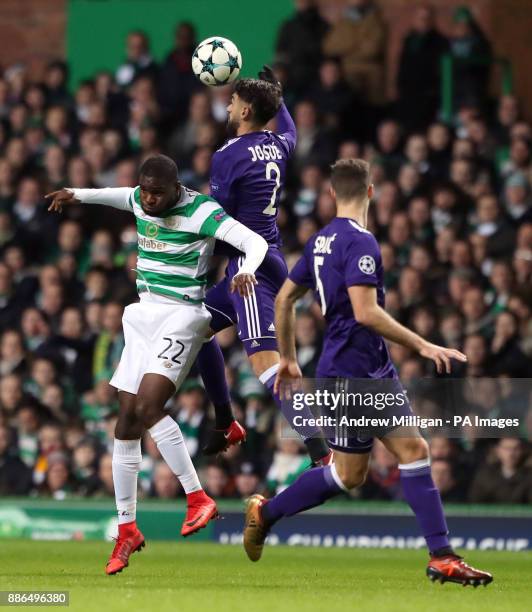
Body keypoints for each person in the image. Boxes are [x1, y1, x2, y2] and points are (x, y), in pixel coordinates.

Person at [243, 159, 493, 587]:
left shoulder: (320, 240)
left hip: (355, 370)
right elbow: (366, 312)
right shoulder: (362, 243)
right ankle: (442, 555)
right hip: (356, 373)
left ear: (332, 195)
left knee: (355, 472)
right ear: (372, 192)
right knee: (400, 456)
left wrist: (287, 356)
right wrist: (423, 344)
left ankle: (265, 513)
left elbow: (284, 299)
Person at [45, 154, 268, 575]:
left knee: (148, 409)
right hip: (143, 315)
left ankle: (198, 496)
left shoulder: (201, 211)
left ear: (175, 188)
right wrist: (76, 195)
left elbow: (253, 242)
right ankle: (127, 528)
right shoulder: (139, 198)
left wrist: (248, 272)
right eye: (144, 191)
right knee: (126, 423)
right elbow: (117, 196)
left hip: (183, 314)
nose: (148, 199)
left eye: (157, 193)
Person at [195, 67, 331, 466]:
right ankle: (225, 420)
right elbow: (291, 132)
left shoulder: (226, 156)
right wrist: (281, 98)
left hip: (248, 270)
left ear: (246, 108)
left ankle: (319, 449)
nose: (228, 103)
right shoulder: (277, 145)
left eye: (233, 100)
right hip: (269, 252)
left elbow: (219, 220)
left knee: (267, 365)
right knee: (196, 328)